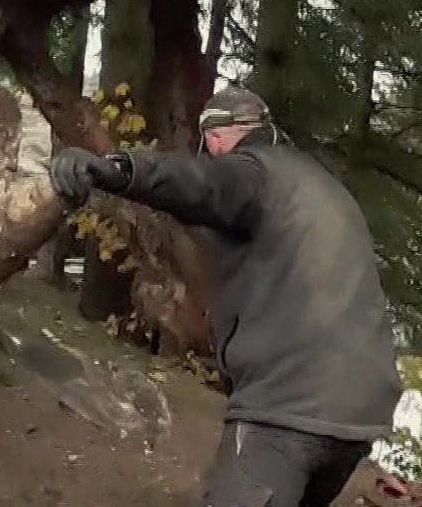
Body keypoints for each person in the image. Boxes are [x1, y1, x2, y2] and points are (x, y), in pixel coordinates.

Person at [49, 85, 402, 507]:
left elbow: (198, 183)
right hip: (359, 415)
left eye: (207, 145)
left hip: (288, 406)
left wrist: (116, 170)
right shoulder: (321, 186)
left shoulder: (254, 173)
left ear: (215, 138)